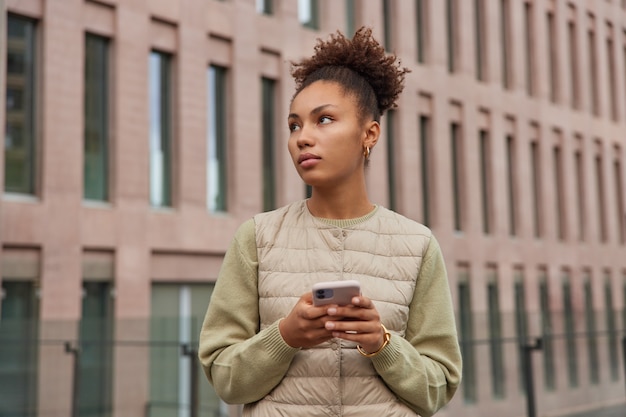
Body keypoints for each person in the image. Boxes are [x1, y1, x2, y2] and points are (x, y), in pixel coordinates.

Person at [198, 26, 462, 417]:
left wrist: (382, 344)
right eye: (294, 125)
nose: (303, 137)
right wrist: (285, 336)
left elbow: (438, 387)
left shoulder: (418, 244)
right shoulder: (257, 237)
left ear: (368, 134)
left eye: (323, 120)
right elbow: (225, 380)